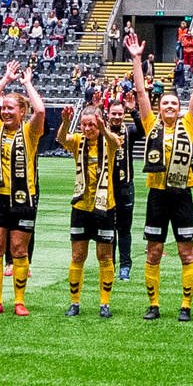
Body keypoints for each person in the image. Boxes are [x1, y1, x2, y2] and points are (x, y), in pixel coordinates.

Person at [126, 29, 193, 321]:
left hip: (182, 195)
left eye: (174, 104)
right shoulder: (150, 123)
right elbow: (141, 93)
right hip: (157, 195)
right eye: (166, 104)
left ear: (179, 108)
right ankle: (154, 305)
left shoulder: (189, 123)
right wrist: (136, 60)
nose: (170, 107)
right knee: (153, 252)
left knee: (186, 253)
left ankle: (186, 306)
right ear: (160, 107)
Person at [0, 60, 46, 315]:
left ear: (21, 111)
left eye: (10, 108)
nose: (5, 112)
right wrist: (6, 80)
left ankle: (19, 301)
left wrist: (27, 83)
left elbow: (40, 110)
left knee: (19, 249)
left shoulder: (30, 132)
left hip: (22, 198)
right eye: (3, 108)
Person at [58, 102, 124, 317]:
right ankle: (74, 302)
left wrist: (103, 129)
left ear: (100, 124)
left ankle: (105, 303)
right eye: (84, 125)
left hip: (105, 206)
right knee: (78, 255)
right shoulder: (78, 141)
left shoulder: (108, 140)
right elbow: (62, 139)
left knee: (104, 256)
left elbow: (116, 143)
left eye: (92, 125)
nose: (87, 129)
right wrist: (65, 122)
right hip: (81, 207)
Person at [107, 96, 139, 282]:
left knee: (124, 229)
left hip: (125, 187)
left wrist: (133, 110)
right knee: (108, 229)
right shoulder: (102, 131)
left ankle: (125, 266)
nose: (117, 117)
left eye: (120, 114)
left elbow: (144, 129)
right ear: (108, 114)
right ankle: (109, 265)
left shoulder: (130, 131)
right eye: (114, 113)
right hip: (106, 188)